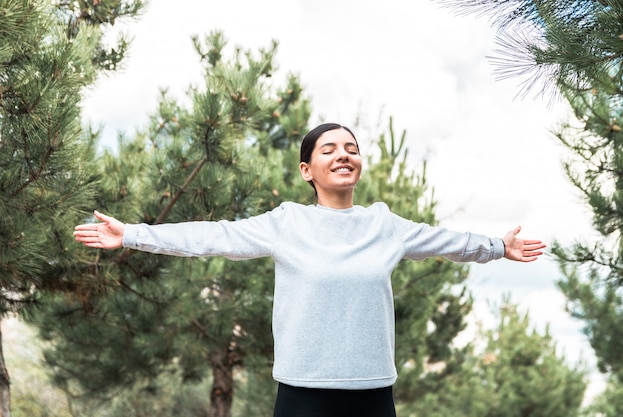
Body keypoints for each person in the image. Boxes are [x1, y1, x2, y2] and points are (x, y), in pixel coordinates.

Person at [74, 123, 546, 417]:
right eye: (329, 149)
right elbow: (212, 235)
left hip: (372, 392)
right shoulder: (286, 223)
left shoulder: (385, 225)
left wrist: (496, 247)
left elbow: (448, 241)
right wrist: (133, 234)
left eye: (351, 148)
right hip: (303, 395)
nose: (343, 154)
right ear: (306, 170)